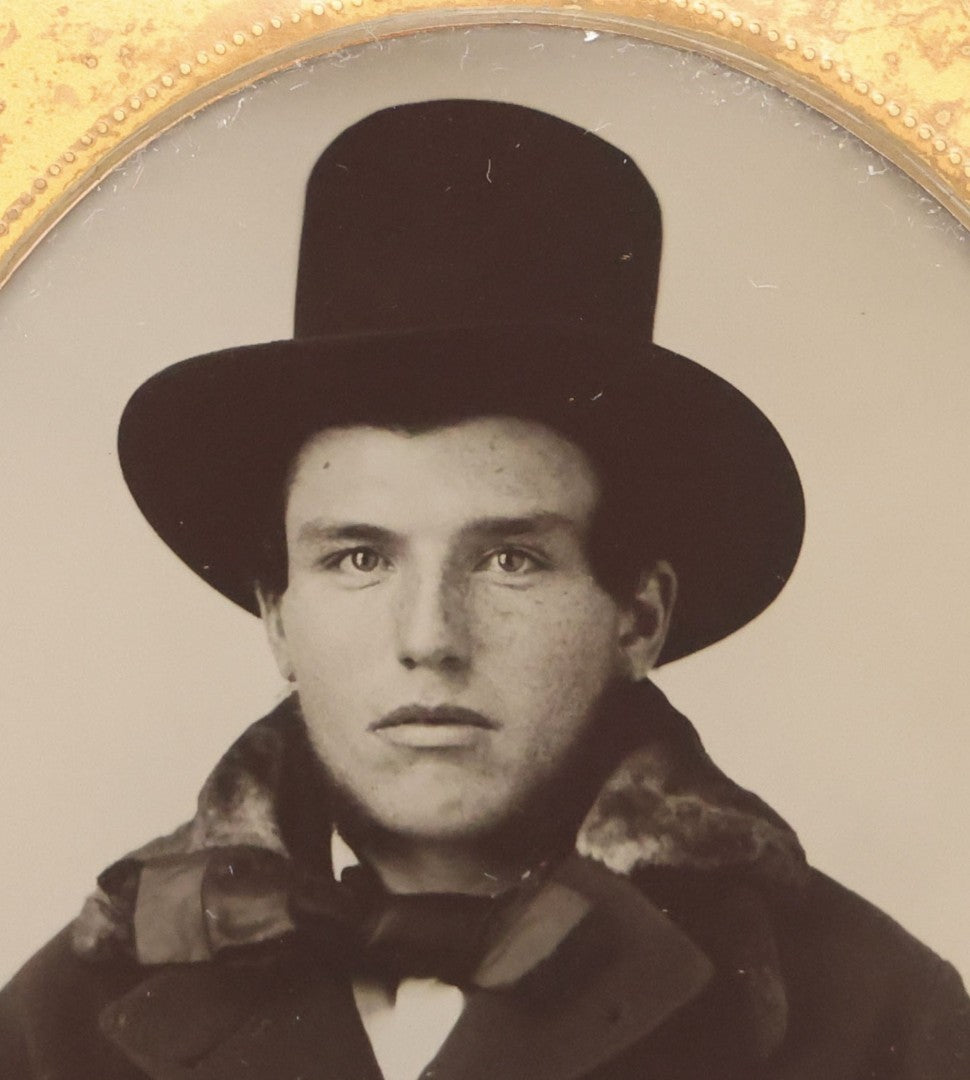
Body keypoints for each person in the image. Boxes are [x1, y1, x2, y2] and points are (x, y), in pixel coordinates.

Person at [1, 99, 967, 1080]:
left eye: (510, 559)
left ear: (638, 616)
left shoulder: (870, 1018)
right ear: (278, 614)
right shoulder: (61, 1024)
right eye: (359, 558)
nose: (429, 637)